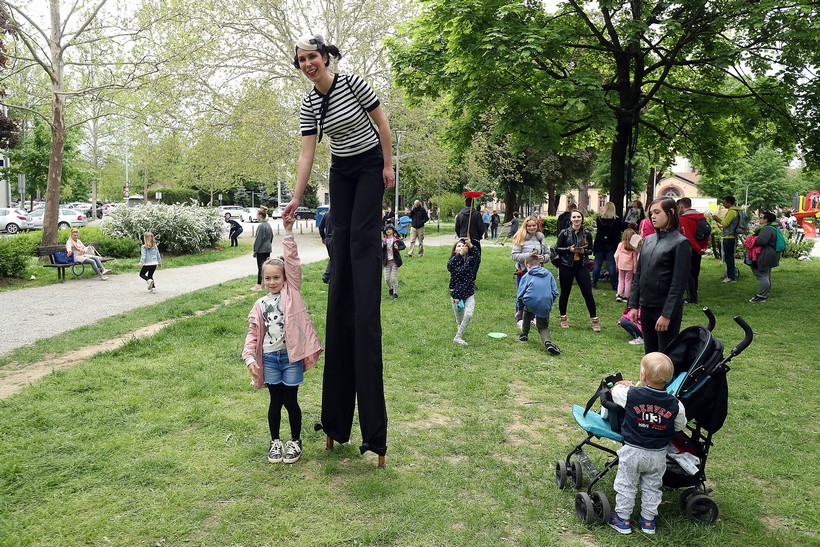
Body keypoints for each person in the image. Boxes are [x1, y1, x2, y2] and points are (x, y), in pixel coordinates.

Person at [284, 33, 394, 463]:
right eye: (301, 61)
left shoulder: (353, 84)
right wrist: (297, 197)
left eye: (311, 57)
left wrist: (387, 164)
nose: (307, 64)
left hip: (369, 163)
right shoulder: (311, 105)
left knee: (361, 239)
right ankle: (342, 278)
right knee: (339, 238)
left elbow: (382, 123)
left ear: (325, 57)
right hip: (342, 170)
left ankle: (366, 284)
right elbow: (306, 155)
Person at [242, 216, 323, 465]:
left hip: (290, 358)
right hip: (270, 358)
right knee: (275, 402)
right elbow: (253, 334)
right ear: (263, 279)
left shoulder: (292, 292)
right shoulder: (260, 304)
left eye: (276, 277)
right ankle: (275, 441)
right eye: (267, 278)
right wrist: (248, 358)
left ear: (285, 278)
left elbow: (293, 263)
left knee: (291, 401)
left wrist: (288, 232)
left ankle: (295, 441)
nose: (272, 282)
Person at [607, 352, 687, 535]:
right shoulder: (675, 404)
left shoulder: (631, 394)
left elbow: (615, 393)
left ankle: (622, 519)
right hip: (658, 453)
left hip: (633, 450)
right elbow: (680, 424)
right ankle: (648, 521)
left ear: (643, 376)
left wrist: (619, 384)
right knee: (653, 486)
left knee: (626, 484)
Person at [628, 198, 691, 354]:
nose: (653, 217)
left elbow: (679, 284)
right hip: (646, 306)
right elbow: (639, 275)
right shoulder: (648, 240)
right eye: (651, 213)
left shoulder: (680, 243)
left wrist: (667, 314)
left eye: (657, 212)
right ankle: (649, 379)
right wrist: (634, 305)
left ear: (671, 213)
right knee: (650, 354)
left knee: (665, 356)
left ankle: (667, 380)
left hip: (664, 309)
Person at [554, 210, 601, 332]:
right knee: (565, 293)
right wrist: (569, 249)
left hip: (581, 266)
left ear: (582, 219)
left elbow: (591, 250)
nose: (576, 219)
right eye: (574, 217)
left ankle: (594, 319)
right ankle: (563, 318)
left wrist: (583, 251)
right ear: (571, 219)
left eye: (578, 217)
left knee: (588, 293)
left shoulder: (586, 233)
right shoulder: (564, 233)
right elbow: (556, 248)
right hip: (566, 265)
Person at [516, 254, 560, 354]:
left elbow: (520, 295)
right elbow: (555, 292)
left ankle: (524, 334)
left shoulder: (527, 276)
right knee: (543, 326)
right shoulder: (548, 274)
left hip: (530, 300)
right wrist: (549, 302)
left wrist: (519, 310)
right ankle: (547, 342)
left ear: (527, 265)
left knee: (527, 312)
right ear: (539, 263)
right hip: (546, 301)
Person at [510, 215, 547, 326]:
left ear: (537, 226)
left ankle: (534, 317)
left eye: (533, 225)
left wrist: (543, 258)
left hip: (538, 272)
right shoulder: (520, 237)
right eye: (529, 226)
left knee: (536, 295)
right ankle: (520, 318)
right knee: (522, 295)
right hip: (524, 271)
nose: (531, 228)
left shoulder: (541, 238)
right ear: (525, 226)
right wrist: (528, 256)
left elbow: (548, 254)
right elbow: (514, 255)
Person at [447, 237, 480, 345]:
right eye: (459, 246)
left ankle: (458, 337)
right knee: (459, 318)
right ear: (455, 250)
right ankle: (460, 329)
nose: (461, 247)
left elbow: (477, 258)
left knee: (469, 314)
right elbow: (450, 267)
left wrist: (471, 246)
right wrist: (460, 255)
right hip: (456, 294)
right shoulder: (453, 260)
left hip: (469, 293)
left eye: (463, 246)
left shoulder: (470, 260)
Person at [677, 197, 709, 304]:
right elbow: (706, 232)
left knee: (687, 274)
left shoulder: (684, 218)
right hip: (699, 249)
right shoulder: (701, 217)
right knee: (695, 273)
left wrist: (697, 248)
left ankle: (691, 298)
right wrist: (702, 248)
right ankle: (694, 294)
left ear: (681, 206)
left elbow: (688, 236)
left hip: (688, 249)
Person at [748, 212, 781, 303]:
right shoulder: (773, 227)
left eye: (761, 217)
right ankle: (765, 292)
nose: (760, 219)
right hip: (771, 254)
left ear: (766, 220)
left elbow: (762, 241)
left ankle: (761, 296)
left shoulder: (766, 229)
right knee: (766, 274)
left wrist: (752, 240)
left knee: (761, 274)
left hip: (765, 255)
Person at [591, 202, 623, 291]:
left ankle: (593, 283)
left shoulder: (599, 219)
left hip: (600, 243)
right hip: (612, 245)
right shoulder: (616, 220)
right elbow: (621, 229)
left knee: (597, 264)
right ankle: (614, 285)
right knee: (612, 265)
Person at [711, 195, 742, 283]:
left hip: (729, 237)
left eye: (724, 202)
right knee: (729, 257)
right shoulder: (736, 211)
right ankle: (730, 275)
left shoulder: (732, 211)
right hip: (731, 236)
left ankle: (731, 277)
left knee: (729, 258)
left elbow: (725, 223)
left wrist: (717, 219)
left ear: (729, 202)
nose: (723, 204)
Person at [251, 206, 274, 291]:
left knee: (260, 267)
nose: (256, 216)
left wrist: (255, 250)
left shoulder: (261, 226)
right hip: (267, 248)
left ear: (260, 215)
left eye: (257, 215)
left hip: (261, 250)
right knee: (265, 267)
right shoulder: (268, 225)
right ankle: (264, 285)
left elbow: (258, 240)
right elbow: (272, 236)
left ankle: (259, 285)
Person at [614, 228, 638, 303]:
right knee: (628, 281)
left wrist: (617, 264)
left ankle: (619, 294)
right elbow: (635, 259)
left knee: (620, 280)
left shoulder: (620, 245)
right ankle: (626, 296)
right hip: (629, 267)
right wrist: (635, 269)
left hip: (621, 265)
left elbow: (616, 255)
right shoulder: (633, 247)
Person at [382, 225, 405, 299]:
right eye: (386, 230)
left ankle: (395, 293)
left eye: (389, 229)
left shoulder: (396, 240)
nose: (388, 231)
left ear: (393, 231)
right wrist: (381, 247)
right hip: (386, 262)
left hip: (394, 262)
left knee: (394, 278)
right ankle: (390, 288)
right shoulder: (383, 241)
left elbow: (403, 246)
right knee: (386, 279)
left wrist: (398, 248)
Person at [317, 209, 332, 284]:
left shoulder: (326, 215)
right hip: (335, 239)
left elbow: (320, 227)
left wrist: (323, 238)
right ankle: (326, 275)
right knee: (334, 258)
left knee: (332, 258)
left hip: (328, 239)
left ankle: (329, 276)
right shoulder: (339, 215)